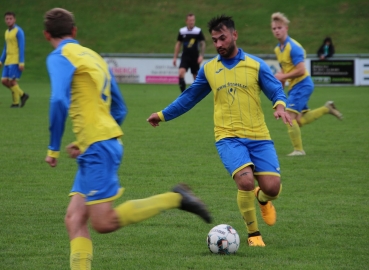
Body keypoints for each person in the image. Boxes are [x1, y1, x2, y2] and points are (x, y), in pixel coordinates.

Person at [43, 8, 211, 270]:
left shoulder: (59, 56)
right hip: (98, 144)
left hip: (99, 147)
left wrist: (54, 148)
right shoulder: (94, 57)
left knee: (102, 222)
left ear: (46, 35)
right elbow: (119, 109)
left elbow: (58, 100)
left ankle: (175, 198)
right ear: (74, 32)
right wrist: (91, 138)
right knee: (74, 218)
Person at [148, 15, 292, 247]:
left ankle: (262, 198)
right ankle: (254, 234)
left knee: (272, 189)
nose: (219, 44)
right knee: (245, 181)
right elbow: (189, 97)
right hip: (228, 137)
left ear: (234, 35)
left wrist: (280, 105)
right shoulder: (209, 69)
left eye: (222, 38)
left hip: (259, 137)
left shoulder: (255, 65)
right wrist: (163, 115)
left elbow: (275, 88)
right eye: (214, 40)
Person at [271, 12, 343, 156]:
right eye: (274, 28)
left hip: (302, 84)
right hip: (295, 86)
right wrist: (279, 90)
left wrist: (282, 76)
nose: (277, 31)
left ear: (286, 28)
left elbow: (301, 69)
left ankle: (299, 150)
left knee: (289, 118)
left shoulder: (294, 47)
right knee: (299, 120)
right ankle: (327, 109)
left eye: (279, 27)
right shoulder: (278, 49)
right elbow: (284, 71)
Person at [0, 11, 29, 108]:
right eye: (7, 19)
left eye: (10, 18)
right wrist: (1, 60)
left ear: (14, 19)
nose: (8, 21)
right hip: (8, 60)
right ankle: (23, 95)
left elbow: (21, 46)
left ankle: (16, 102)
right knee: (4, 81)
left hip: (15, 60)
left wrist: (21, 62)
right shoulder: (6, 32)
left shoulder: (18, 31)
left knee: (12, 81)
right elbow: (5, 47)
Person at [173, 13, 206, 92]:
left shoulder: (198, 31)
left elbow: (203, 43)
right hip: (185, 56)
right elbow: (178, 44)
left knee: (196, 78)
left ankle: (194, 95)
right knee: (181, 73)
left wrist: (201, 56)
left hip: (195, 57)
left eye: (193, 20)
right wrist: (175, 57)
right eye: (190, 20)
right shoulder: (182, 31)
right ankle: (183, 94)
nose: (192, 22)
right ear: (186, 21)